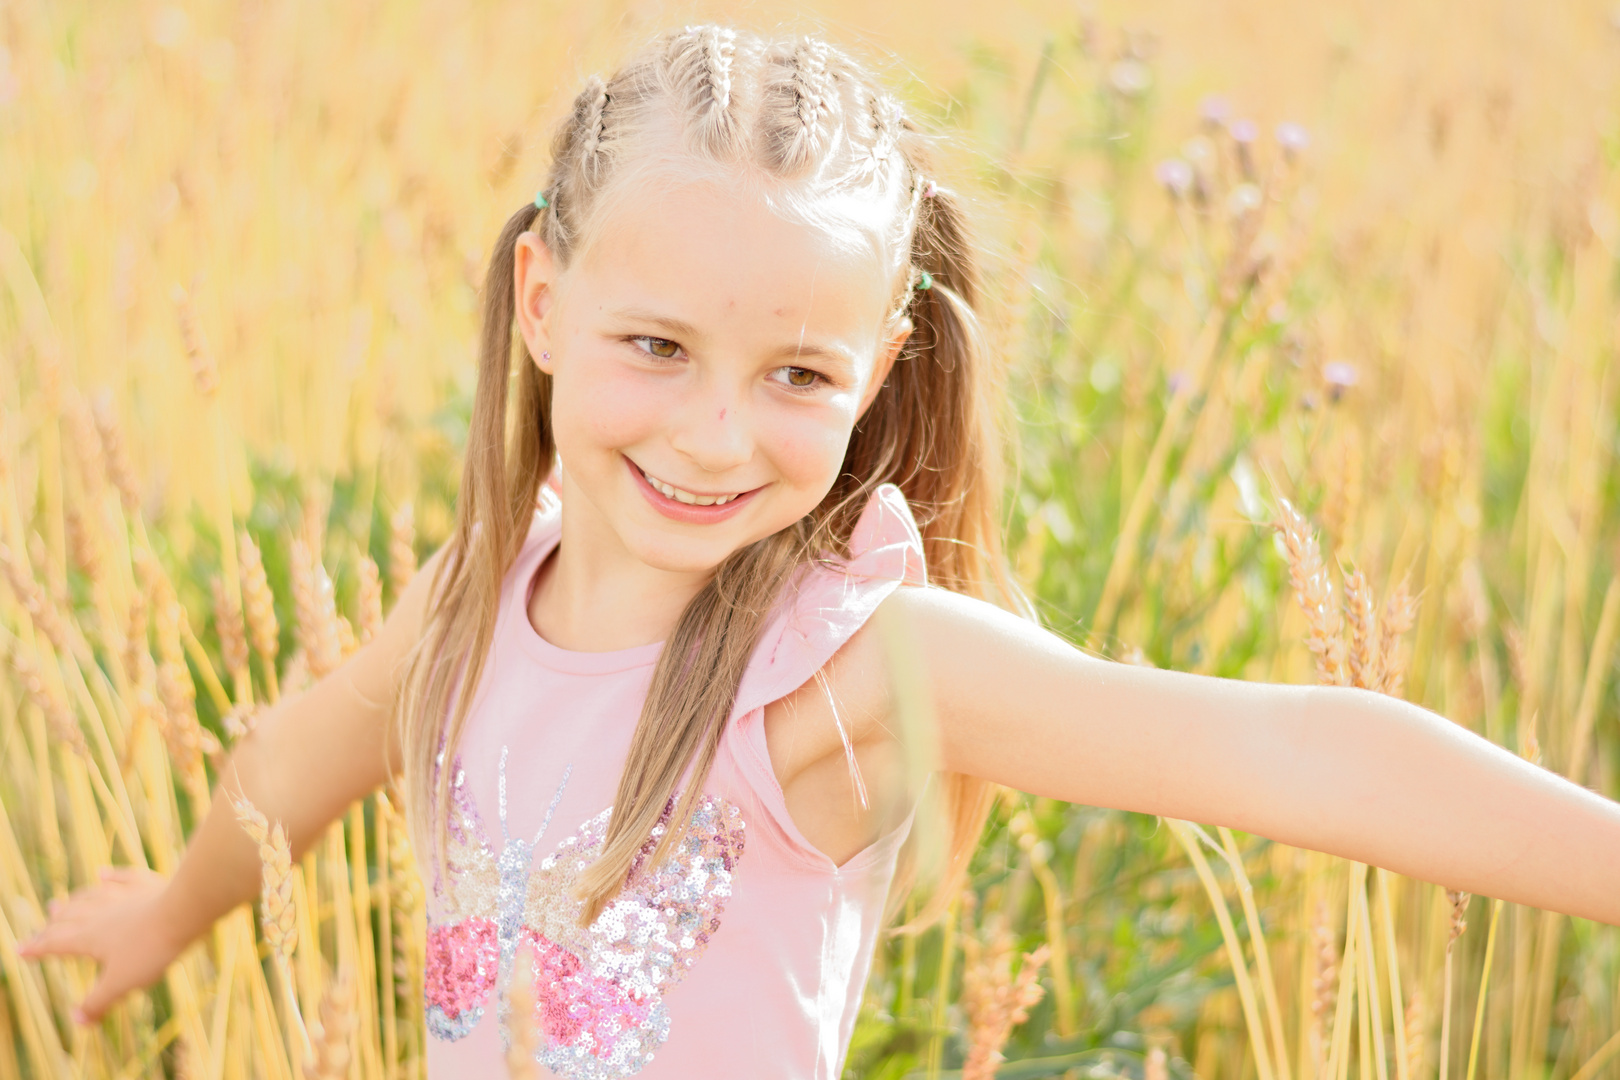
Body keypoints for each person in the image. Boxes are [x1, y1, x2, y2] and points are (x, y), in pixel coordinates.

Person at [20, 24, 1620, 1080]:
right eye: (657, 346)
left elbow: (1289, 753)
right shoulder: (476, 599)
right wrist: (174, 907)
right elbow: (302, 759)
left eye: (797, 376)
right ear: (542, 303)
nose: (719, 436)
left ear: (880, 360)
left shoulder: (856, 675)